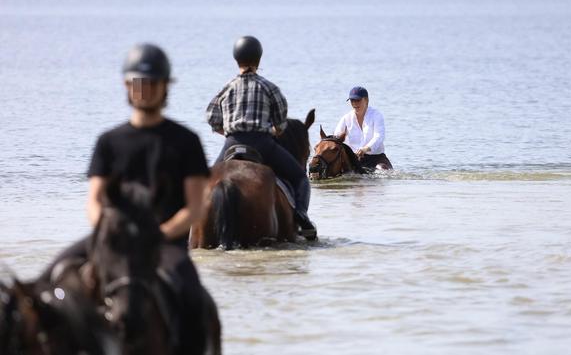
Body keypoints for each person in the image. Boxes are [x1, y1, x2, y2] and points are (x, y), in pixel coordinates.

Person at [40, 43, 210, 355]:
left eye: (152, 83)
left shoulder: (186, 142)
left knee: (192, 297)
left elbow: (195, 208)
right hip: (112, 240)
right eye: (138, 83)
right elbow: (94, 200)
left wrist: (156, 235)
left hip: (163, 243)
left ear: (165, 87)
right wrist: (110, 230)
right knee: (46, 279)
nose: (145, 90)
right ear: (127, 86)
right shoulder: (109, 142)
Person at [206, 35, 317, 239]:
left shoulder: (226, 88)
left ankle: (186, 225)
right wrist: (275, 131)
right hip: (262, 143)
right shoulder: (269, 87)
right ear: (259, 59)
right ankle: (302, 218)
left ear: (236, 59)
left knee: (204, 182)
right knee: (300, 178)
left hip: (231, 143)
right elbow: (281, 122)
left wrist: (226, 131)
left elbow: (211, 118)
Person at [334, 86, 393, 170]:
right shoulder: (346, 118)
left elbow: (379, 136)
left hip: (376, 158)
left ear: (366, 100)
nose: (354, 103)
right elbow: (336, 137)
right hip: (354, 159)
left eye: (357, 100)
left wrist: (365, 149)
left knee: (382, 170)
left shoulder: (376, 115)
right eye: (352, 100)